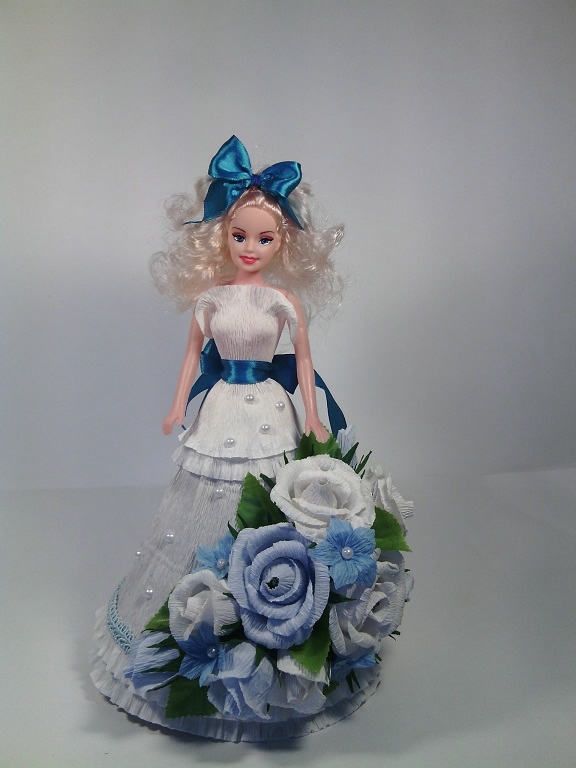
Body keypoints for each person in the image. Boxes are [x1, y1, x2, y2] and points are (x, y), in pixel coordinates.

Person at [91, 137, 411, 741]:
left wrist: (313, 416)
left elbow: (305, 363)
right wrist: (177, 406)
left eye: (264, 239)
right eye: (240, 235)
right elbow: (192, 358)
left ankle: (273, 614)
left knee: (269, 493)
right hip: (221, 407)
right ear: (223, 236)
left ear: (283, 244)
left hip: (269, 405)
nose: (250, 247)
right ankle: (199, 620)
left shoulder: (283, 301)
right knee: (202, 496)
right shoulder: (210, 299)